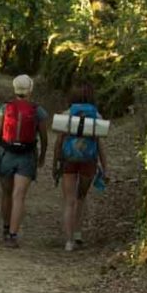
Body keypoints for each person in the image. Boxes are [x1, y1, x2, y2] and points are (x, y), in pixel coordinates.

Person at [0, 74, 49, 248]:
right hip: (27, 157)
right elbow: (44, 137)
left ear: (14, 89)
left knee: (6, 194)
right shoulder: (38, 111)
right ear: (30, 89)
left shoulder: (4, 108)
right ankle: (13, 236)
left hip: (6, 154)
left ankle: (6, 228)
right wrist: (42, 155)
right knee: (19, 196)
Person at [52, 83, 110, 252]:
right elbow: (99, 144)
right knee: (81, 198)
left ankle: (68, 241)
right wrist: (105, 167)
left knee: (69, 201)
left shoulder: (67, 115)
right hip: (89, 161)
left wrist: (55, 163)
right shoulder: (96, 116)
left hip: (69, 160)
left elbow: (59, 142)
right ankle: (78, 234)